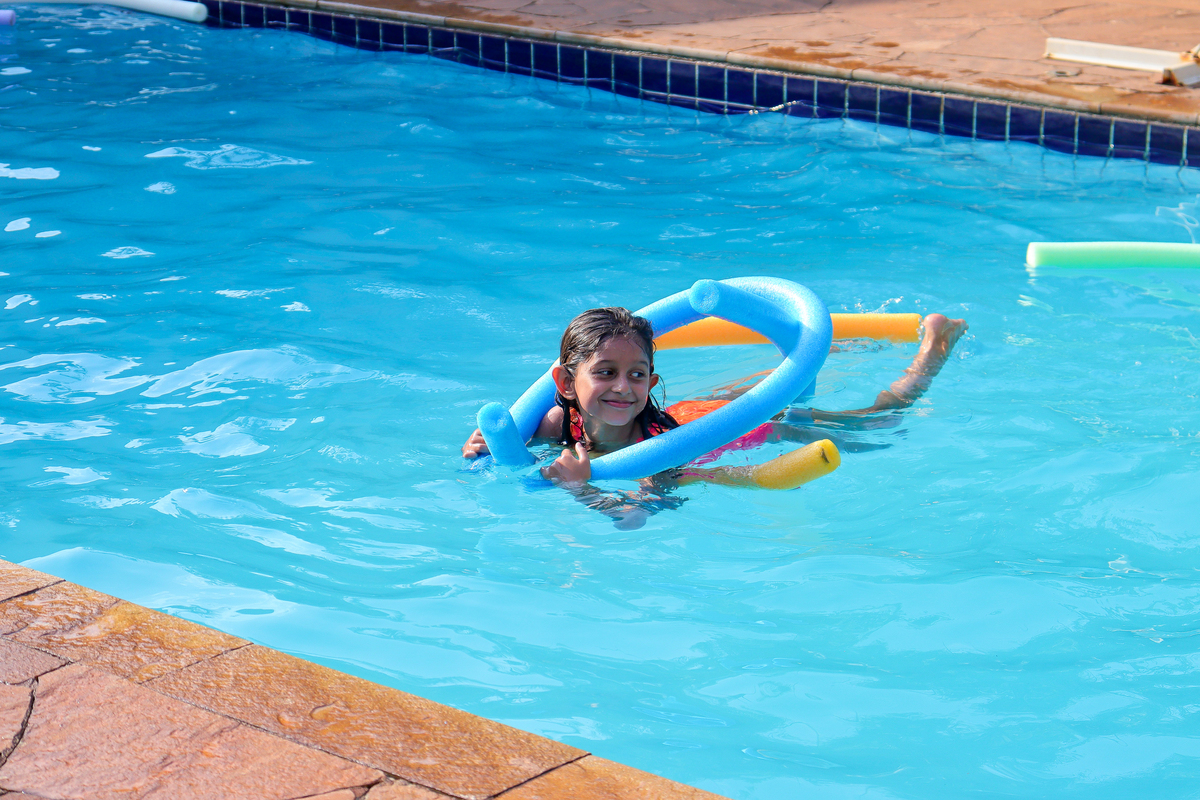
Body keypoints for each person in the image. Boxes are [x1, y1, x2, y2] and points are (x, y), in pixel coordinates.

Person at [461, 306, 968, 492]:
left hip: (737, 430)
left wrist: (583, 487)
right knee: (760, 386)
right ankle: (825, 352)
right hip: (693, 413)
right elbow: (506, 450)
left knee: (877, 423)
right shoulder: (555, 422)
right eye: (606, 373)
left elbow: (638, 515)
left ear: (651, 381)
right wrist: (484, 443)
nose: (623, 387)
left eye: (637, 374)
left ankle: (932, 351)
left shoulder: (658, 453)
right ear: (567, 383)